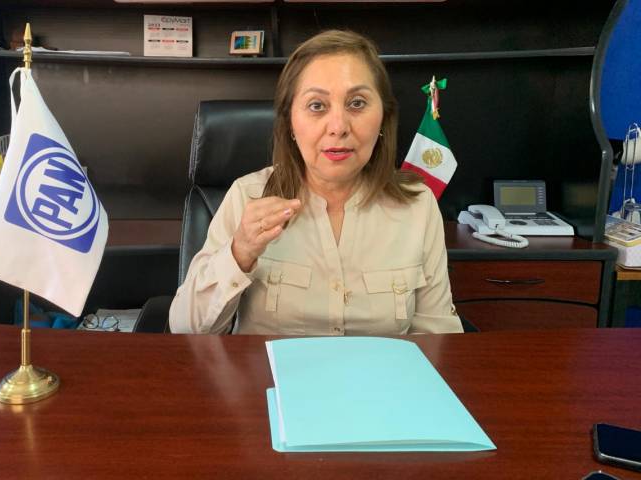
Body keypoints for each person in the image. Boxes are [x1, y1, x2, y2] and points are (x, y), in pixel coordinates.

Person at [169, 30, 462, 335]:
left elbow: (439, 337)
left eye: (357, 103)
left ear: (383, 118)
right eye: (317, 106)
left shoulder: (418, 204)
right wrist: (239, 252)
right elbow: (185, 329)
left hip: (381, 369)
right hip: (266, 368)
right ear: (290, 122)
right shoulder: (247, 196)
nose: (338, 127)